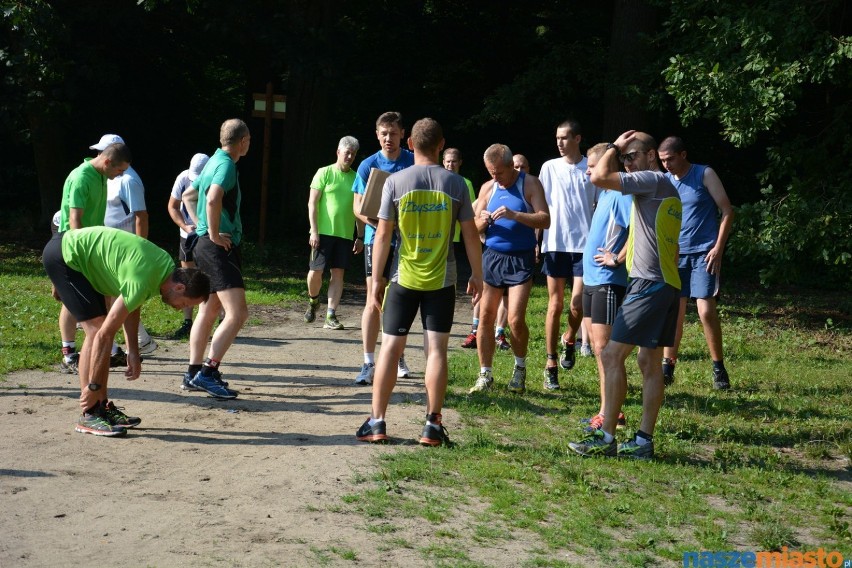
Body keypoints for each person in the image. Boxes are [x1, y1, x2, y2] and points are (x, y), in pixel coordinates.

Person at [355, 118, 483, 446]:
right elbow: (470, 234)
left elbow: (382, 234)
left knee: (390, 348)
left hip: (403, 279)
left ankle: (378, 421)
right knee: (437, 350)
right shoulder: (455, 184)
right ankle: (432, 425)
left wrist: (376, 281)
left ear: (409, 143)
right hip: (442, 281)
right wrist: (478, 275)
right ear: (441, 145)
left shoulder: (395, 182)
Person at [568, 130, 682, 460]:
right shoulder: (664, 188)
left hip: (649, 285)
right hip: (665, 284)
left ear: (650, 157)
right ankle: (644, 441)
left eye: (631, 156)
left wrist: (615, 147)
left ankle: (606, 437)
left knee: (610, 355)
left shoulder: (652, 180)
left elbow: (601, 176)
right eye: (625, 157)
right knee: (648, 362)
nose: (626, 163)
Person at [43, 226, 210, 436]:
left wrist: (133, 350)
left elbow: (132, 303)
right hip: (65, 256)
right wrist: (93, 386)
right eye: (184, 303)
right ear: (179, 288)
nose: (180, 309)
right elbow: (105, 334)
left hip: (77, 257)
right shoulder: (145, 277)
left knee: (100, 330)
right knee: (97, 331)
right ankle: (90, 414)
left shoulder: (164, 268)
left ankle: (101, 407)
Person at [468, 144, 550, 395]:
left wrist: (515, 215)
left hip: (520, 259)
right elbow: (472, 228)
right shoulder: (487, 187)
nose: (496, 177)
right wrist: (483, 221)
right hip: (492, 257)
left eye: (500, 173)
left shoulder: (530, 184)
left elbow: (545, 218)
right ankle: (485, 374)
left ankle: (520, 368)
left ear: (511, 167)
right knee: (485, 317)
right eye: (491, 172)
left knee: (515, 319)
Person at [180, 118, 251, 399]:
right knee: (237, 313)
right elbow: (212, 198)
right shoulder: (225, 165)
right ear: (243, 141)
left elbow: (188, 195)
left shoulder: (213, 161)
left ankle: (192, 372)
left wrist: (199, 229)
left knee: (209, 311)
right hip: (217, 247)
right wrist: (212, 233)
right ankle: (208, 373)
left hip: (205, 245)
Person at [658, 136, 735, 390]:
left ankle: (718, 368)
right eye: (662, 161)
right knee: (674, 313)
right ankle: (667, 368)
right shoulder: (666, 181)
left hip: (704, 253)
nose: (666, 165)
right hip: (675, 254)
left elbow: (727, 210)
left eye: (669, 159)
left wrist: (718, 248)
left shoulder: (704, 174)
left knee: (704, 310)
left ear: (683, 154)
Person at [56, 140, 132, 374]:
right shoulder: (81, 177)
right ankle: (69, 354)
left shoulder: (101, 174)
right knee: (72, 299)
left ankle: (105, 350)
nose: (118, 176)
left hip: (93, 245)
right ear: (108, 161)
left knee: (99, 295)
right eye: (118, 170)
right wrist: (79, 256)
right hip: (74, 244)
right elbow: (74, 219)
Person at [351, 112, 415, 385]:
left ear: (403, 134)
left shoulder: (413, 162)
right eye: (384, 133)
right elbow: (357, 207)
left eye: (393, 133)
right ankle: (368, 361)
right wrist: (381, 223)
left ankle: (397, 355)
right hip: (376, 239)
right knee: (373, 299)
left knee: (399, 300)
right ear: (377, 135)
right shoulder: (368, 165)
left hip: (407, 241)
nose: (389, 138)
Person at [538, 120, 598, 389]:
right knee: (555, 305)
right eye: (557, 138)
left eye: (564, 137)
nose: (560, 142)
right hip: (555, 243)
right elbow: (539, 204)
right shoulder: (549, 167)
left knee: (577, 304)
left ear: (578, 138)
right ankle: (550, 363)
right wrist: (535, 240)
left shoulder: (591, 167)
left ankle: (570, 337)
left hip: (585, 245)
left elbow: (599, 204)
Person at [577, 143, 633, 430]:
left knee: (605, 349)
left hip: (608, 282)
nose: (588, 171)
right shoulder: (606, 193)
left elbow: (637, 230)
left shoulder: (622, 195)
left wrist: (617, 258)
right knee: (600, 350)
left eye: (592, 166)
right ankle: (605, 410)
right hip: (592, 281)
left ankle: (614, 414)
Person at [444, 147, 510, 352]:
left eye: (454, 161)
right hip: (440, 239)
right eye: (447, 161)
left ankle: (492, 330)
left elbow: (472, 213)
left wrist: (474, 231)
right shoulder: (437, 180)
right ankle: (470, 326)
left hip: (462, 239)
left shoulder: (467, 184)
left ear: (460, 162)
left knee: (464, 279)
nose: (450, 165)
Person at [98, 134, 159, 356]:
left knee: (121, 295)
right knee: (113, 295)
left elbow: (141, 216)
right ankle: (139, 342)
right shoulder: (107, 177)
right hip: (108, 245)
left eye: (101, 152)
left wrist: (140, 248)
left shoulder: (129, 180)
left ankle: (130, 344)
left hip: (125, 248)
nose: (98, 156)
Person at [305, 136, 362, 330]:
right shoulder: (324, 172)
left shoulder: (356, 178)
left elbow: (360, 210)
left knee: (338, 274)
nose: (350, 156)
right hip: (322, 233)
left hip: (345, 235)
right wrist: (314, 230)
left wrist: (360, 236)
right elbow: (312, 202)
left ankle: (331, 315)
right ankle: (313, 300)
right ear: (338, 152)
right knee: (315, 272)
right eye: (347, 152)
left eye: (353, 154)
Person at [167, 152, 210, 339]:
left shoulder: (217, 180)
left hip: (209, 237)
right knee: (187, 279)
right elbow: (172, 206)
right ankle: (188, 322)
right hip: (188, 236)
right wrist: (185, 226)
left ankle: (213, 319)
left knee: (209, 276)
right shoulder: (183, 178)